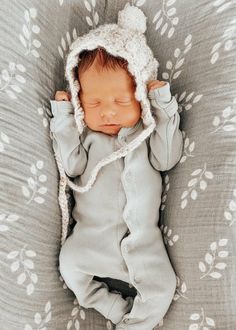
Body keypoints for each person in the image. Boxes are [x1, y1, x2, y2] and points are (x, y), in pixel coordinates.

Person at [49, 4, 183, 330]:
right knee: (68, 265)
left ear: (140, 95)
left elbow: (168, 158)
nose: (108, 112)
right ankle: (111, 306)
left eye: (121, 102)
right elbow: (70, 164)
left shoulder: (144, 137)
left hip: (143, 244)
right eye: (94, 103)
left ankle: (132, 324)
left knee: (164, 288)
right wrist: (64, 118)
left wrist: (164, 107)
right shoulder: (90, 141)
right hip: (91, 241)